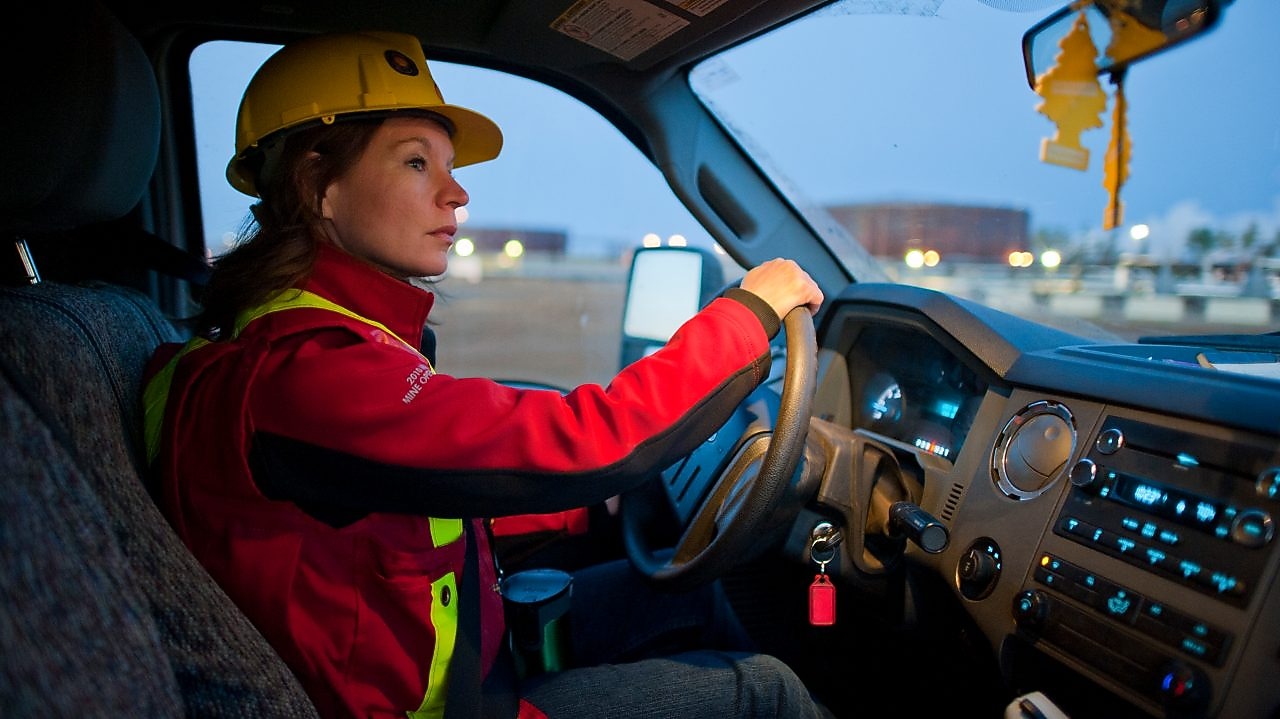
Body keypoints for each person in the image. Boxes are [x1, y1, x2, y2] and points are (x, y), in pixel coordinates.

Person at [142, 30, 828, 719]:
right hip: (448, 703)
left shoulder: (308, 344)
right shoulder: (307, 374)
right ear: (317, 183)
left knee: (693, 593)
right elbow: (588, 439)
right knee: (764, 692)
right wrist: (746, 313)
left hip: (458, 651)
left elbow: (407, 505)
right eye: (417, 163)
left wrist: (584, 505)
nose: (456, 191)